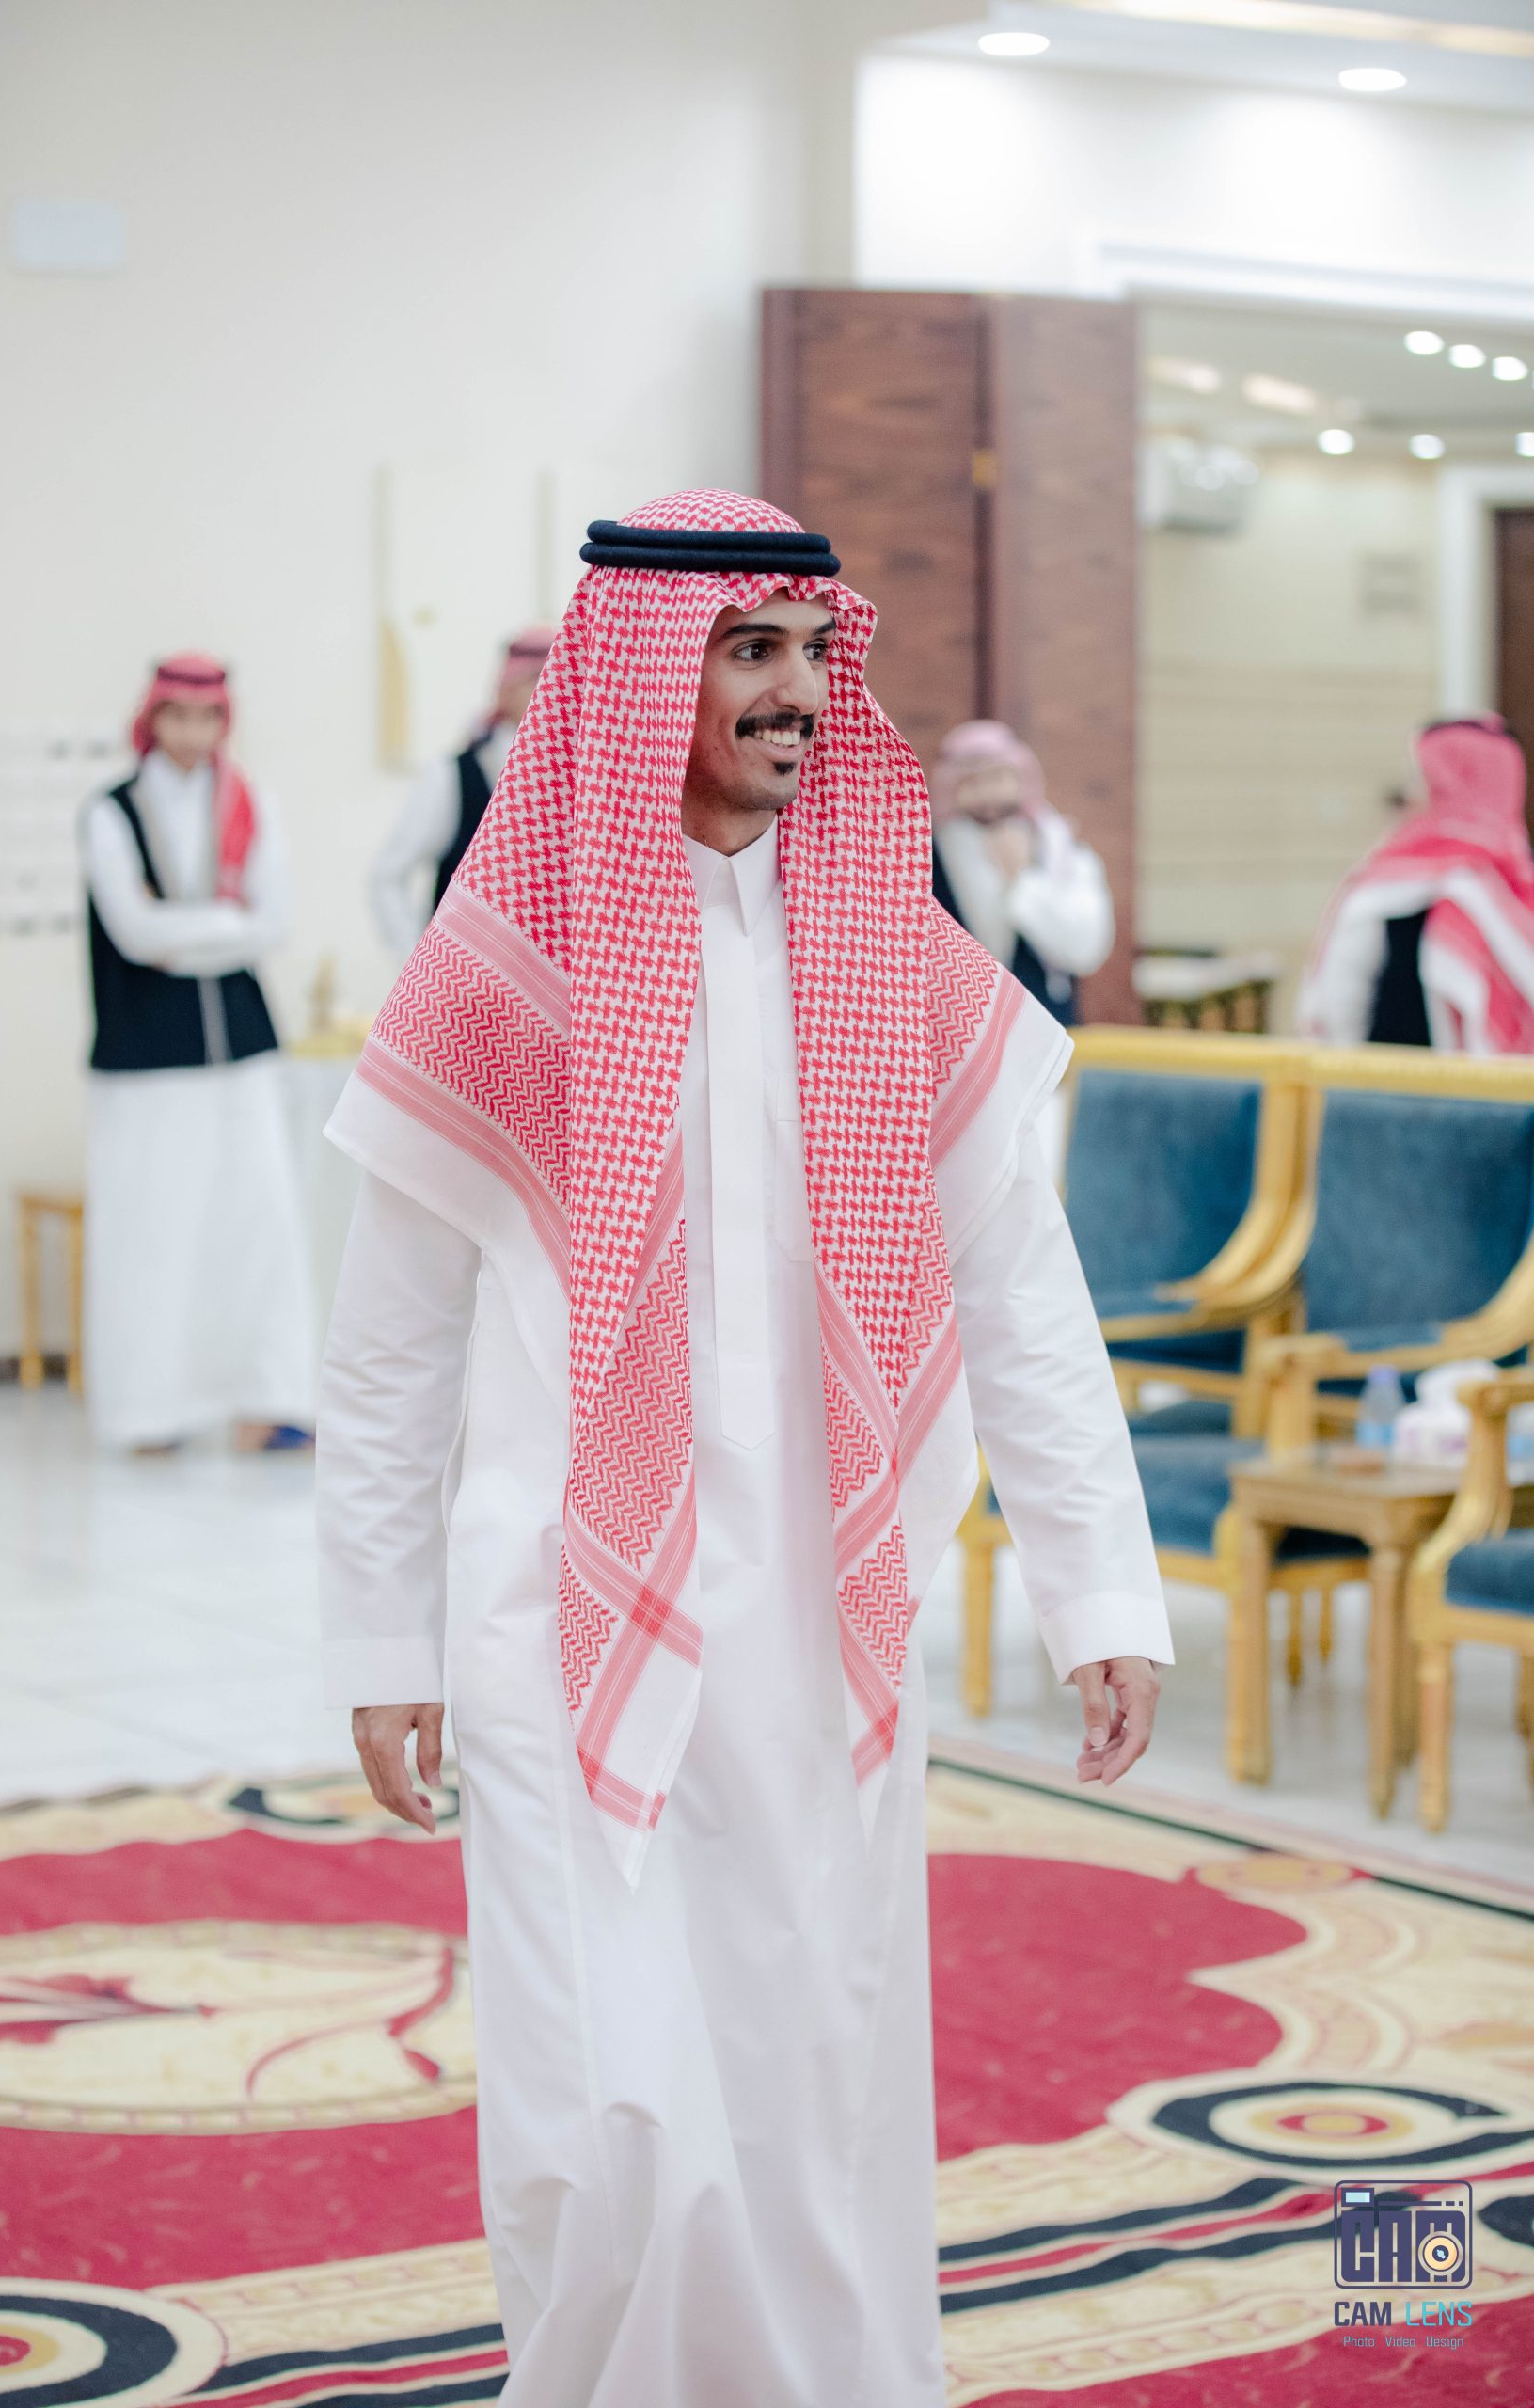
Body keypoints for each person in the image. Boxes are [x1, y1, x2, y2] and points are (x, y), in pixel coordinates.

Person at [316, 492, 1172, 2406]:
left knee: (806, 2082)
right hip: (557, 1614)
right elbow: (388, 1347)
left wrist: (1095, 1588)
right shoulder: (503, 972)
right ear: (639, 676)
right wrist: (379, 1635)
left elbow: (1021, 1292)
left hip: (817, 1620)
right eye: (748, 650)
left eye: (811, 651)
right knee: (601, 2107)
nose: (795, 692)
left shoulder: (892, 957)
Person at [82, 654, 316, 1450]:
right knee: (154, 1231)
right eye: (177, 716)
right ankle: (150, 1412)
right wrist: (224, 923)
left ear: (224, 722)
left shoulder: (250, 803)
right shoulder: (111, 812)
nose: (192, 732)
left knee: (260, 1222)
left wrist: (183, 932)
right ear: (153, 719)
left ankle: (271, 1401)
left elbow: (272, 924)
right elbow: (133, 933)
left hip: (244, 1052)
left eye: (207, 717)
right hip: (146, 1059)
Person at [1299, 714, 1534, 1052]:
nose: (1408, 794)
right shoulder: (1519, 887)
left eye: (1418, 778)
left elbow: (1340, 1011)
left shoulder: (1386, 888)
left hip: (1391, 1078)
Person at [367, 623, 555, 957]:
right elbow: (387, 877)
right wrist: (421, 962)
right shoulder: (452, 775)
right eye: (539, 679)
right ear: (509, 687)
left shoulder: (588, 779)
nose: (554, 693)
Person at [929, 718, 1115, 1025]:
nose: (988, 793)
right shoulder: (928, 857)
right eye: (973, 782)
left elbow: (1086, 949)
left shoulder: (1059, 848)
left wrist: (1021, 880)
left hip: (1048, 1026)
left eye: (997, 778)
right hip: (960, 1029)